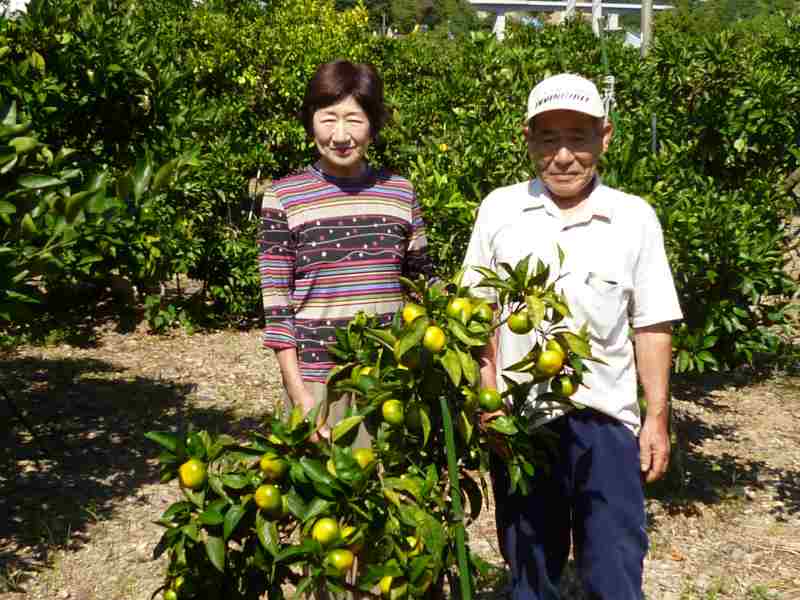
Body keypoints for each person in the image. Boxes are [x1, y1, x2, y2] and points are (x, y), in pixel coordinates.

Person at [461, 73, 683, 599]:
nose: (564, 155)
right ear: (528, 139)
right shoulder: (500, 210)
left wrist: (656, 418)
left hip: (606, 421)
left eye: (578, 138)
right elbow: (476, 315)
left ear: (605, 137)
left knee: (614, 566)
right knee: (530, 565)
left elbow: (651, 324)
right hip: (521, 421)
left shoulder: (634, 218)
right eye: (549, 138)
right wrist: (485, 397)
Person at [259, 60, 432, 444]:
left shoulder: (400, 193)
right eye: (328, 118)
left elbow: (423, 285)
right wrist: (299, 394)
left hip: (388, 380)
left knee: (390, 493)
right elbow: (277, 307)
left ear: (373, 124)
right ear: (310, 122)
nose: (340, 135)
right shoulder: (284, 196)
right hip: (318, 382)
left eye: (353, 119)